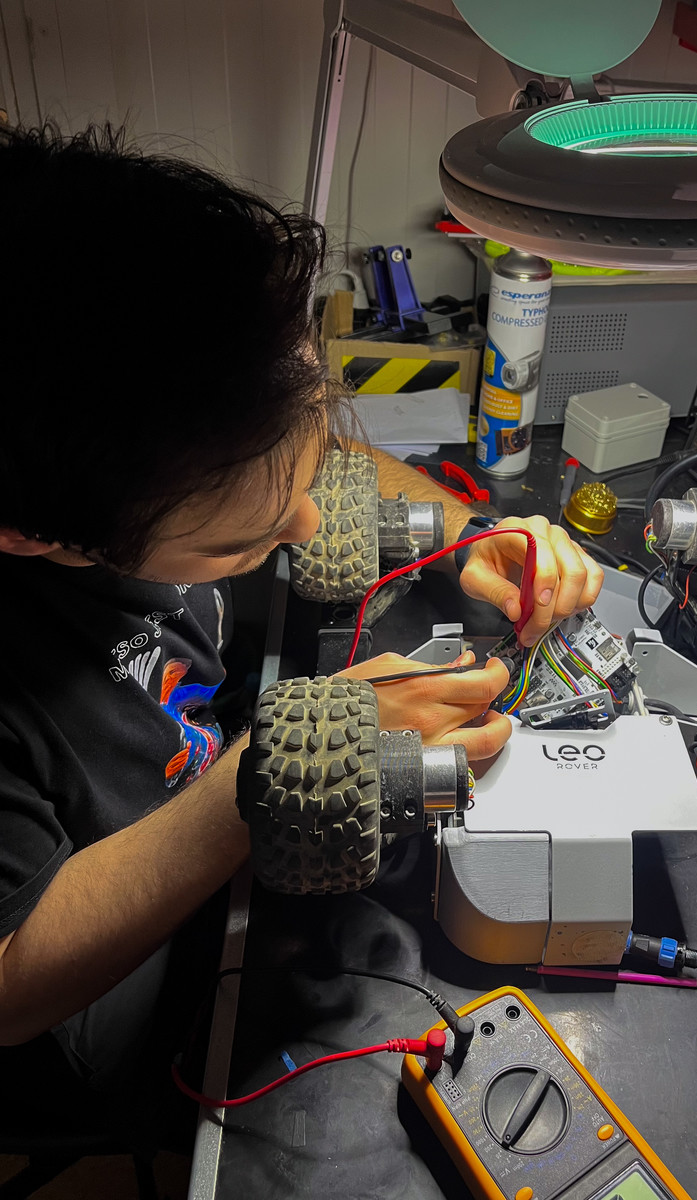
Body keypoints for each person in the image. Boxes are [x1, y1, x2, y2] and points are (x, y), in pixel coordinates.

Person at [0, 124, 603, 1122]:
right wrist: (276, 771)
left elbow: (300, 466)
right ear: (34, 535)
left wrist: (466, 537)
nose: (309, 525)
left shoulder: (136, 379)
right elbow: (14, 985)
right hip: (120, 996)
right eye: (240, 540)